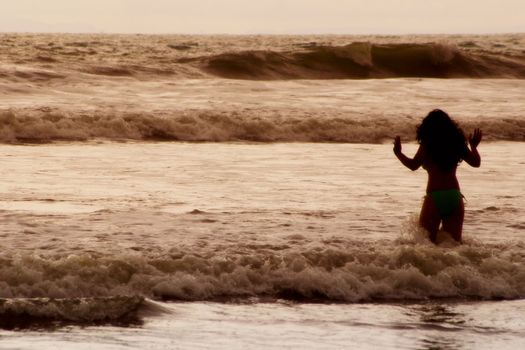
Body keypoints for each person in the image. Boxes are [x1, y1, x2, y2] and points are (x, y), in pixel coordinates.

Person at [393, 109, 482, 244]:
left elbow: (413, 165)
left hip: (435, 198)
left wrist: (398, 153)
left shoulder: (428, 144)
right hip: (455, 197)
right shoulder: (456, 143)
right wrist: (473, 147)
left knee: (426, 246)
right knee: (453, 246)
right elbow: (476, 163)